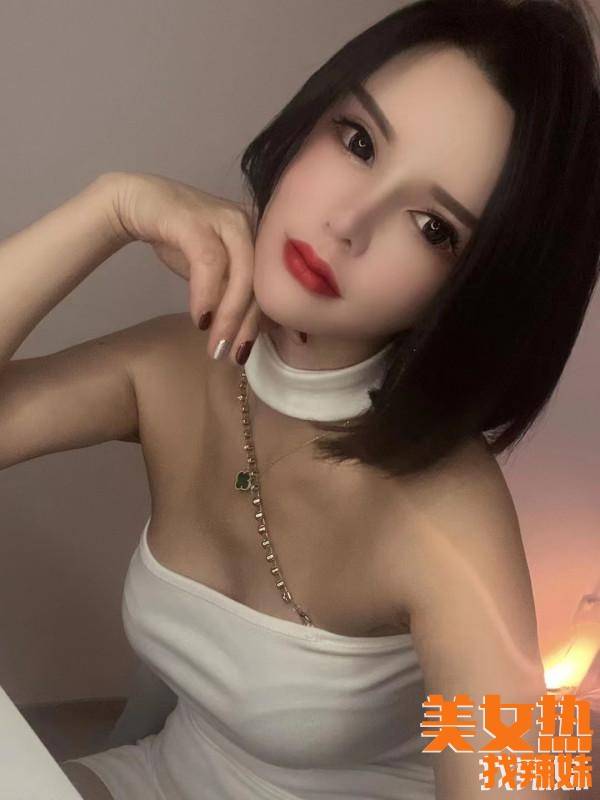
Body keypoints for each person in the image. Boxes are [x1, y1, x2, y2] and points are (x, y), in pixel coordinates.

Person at [1, 0, 598, 796]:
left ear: (479, 288)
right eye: (359, 141)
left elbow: (526, 769)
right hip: (166, 774)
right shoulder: (177, 364)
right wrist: (109, 208)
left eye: (432, 226)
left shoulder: (452, 512)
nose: (348, 221)